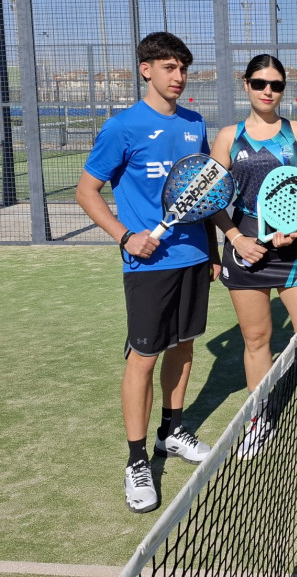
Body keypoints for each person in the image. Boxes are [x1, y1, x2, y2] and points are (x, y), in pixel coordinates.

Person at [75, 32, 221, 514]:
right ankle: (137, 459)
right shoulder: (122, 127)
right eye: (169, 68)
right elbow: (87, 191)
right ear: (146, 69)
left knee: (184, 346)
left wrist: (213, 248)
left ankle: (171, 431)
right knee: (144, 357)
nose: (179, 77)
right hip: (149, 266)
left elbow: (201, 192)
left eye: (183, 69)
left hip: (194, 257)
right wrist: (125, 236)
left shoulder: (194, 123)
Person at [210, 54, 297, 460]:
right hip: (245, 252)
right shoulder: (228, 137)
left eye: (276, 85)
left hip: (296, 251)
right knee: (256, 340)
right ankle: (259, 419)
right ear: (246, 85)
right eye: (259, 83)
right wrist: (236, 238)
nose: (268, 91)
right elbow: (211, 199)